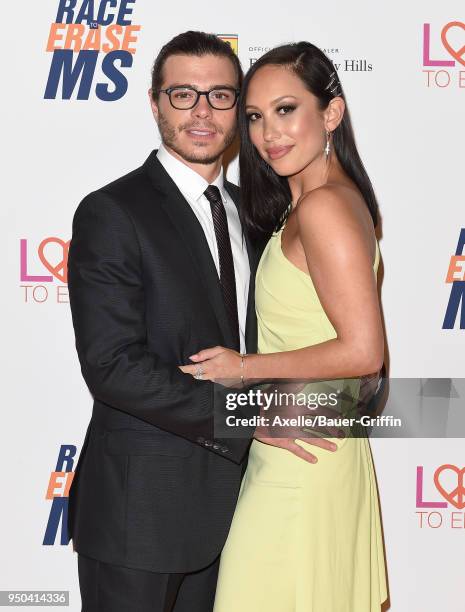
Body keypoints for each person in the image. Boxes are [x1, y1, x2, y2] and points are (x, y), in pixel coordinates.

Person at [181, 42, 389, 611]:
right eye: (254, 116)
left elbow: (364, 350)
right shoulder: (313, 206)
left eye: (286, 109)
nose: (268, 132)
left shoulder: (324, 208)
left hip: (305, 466)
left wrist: (242, 368)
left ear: (331, 113)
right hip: (301, 445)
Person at [67, 31, 256, 612]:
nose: (202, 111)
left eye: (220, 96)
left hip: (240, 514)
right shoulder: (114, 211)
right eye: (183, 95)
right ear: (154, 103)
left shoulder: (257, 214)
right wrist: (247, 417)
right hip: (138, 519)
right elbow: (113, 366)